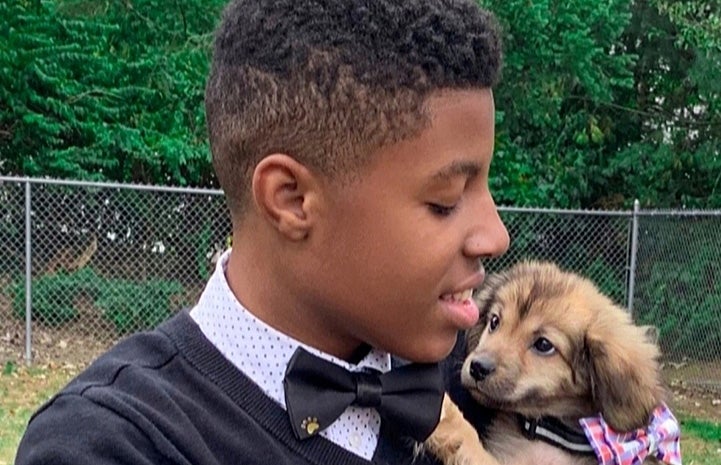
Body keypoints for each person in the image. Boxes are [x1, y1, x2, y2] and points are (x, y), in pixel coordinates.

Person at [15, 0, 509, 464]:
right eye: (445, 202)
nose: (495, 235)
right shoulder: (114, 442)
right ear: (291, 199)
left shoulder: (493, 381)